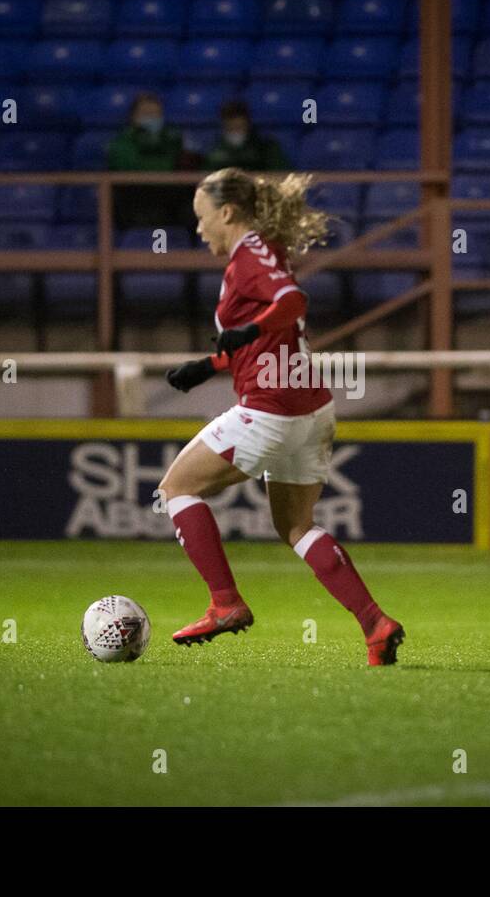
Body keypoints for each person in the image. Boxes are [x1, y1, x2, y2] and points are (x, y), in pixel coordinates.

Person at [159, 167, 405, 667]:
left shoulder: (251, 252)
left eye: (201, 218)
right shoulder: (262, 250)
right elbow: (267, 333)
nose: (199, 229)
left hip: (269, 409)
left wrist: (246, 330)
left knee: (175, 489)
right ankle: (376, 626)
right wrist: (207, 366)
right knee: (296, 526)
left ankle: (225, 603)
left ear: (226, 212)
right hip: (311, 410)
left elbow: (292, 300)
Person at [106, 91, 193, 231]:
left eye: (156, 114)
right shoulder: (121, 143)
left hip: (169, 206)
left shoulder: (172, 139)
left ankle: (171, 249)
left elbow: (181, 165)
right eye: (146, 114)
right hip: (135, 204)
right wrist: (165, 165)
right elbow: (131, 168)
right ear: (133, 117)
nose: (152, 118)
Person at [202, 100, 292, 173]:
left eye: (239, 127)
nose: (236, 131)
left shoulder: (266, 147)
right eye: (231, 127)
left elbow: (281, 174)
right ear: (224, 125)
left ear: (247, 123)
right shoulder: (213, 149)